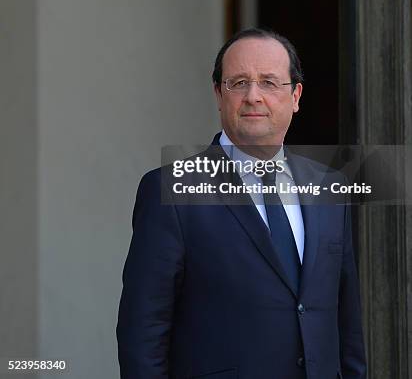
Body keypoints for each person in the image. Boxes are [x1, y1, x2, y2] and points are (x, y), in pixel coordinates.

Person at [117, 28, 367, 379]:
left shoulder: (329, 186)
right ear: (219, 94)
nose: (253, 96)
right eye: (238, 83)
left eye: (269, 82)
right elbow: (143, 331)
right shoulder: (169, 189)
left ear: (295, 96)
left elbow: (347, 321)